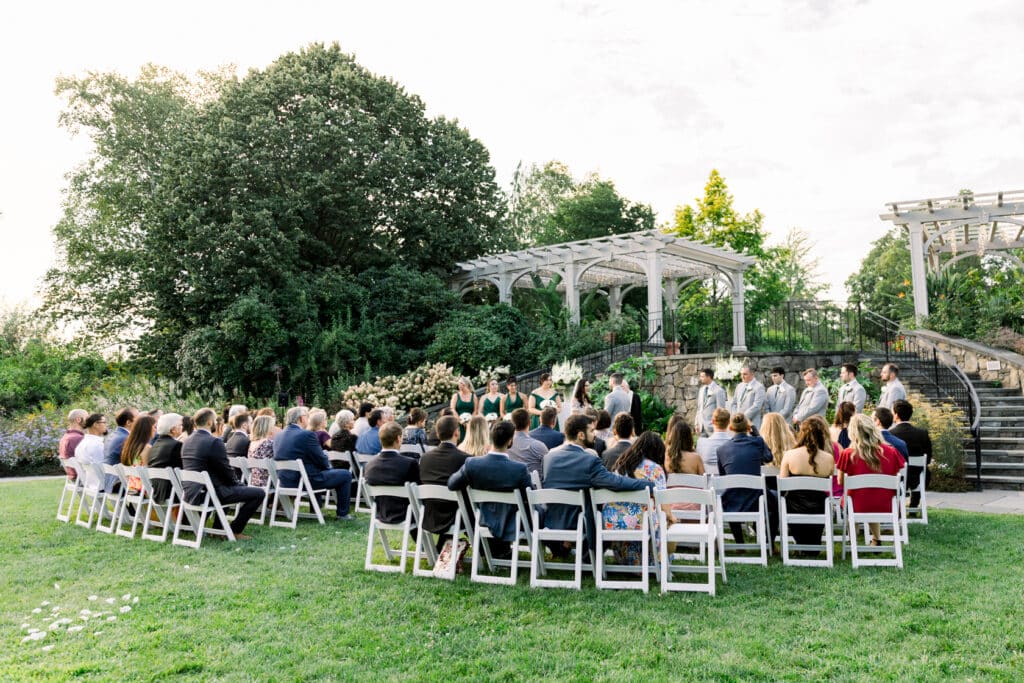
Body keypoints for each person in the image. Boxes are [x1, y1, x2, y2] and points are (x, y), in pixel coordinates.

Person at [541, 414, 654, 559]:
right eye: (591, 431)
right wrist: (649, 485)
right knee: (606, 512)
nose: (594, 435)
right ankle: (588, 557)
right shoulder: (589, 460)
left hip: (551, 520)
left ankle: (565, 548)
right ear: (581, 435)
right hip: (581, 523)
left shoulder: (549, 457)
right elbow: (617, 482)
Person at [448, 420, 531, 559]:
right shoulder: (519, 469)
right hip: (511, 521)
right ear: (510, 441)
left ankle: (495, 550)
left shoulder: (472, 464)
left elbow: (452, 484)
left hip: (482, 518)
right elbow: (529, 497)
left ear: (491, 438)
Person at [182, 408, 266, 538]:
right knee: (259, 493)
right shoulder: (214, 442)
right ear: (210, 422)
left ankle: (218, 528)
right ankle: (234, 530)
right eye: (215, 420)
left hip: (192, 492)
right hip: (210, 493)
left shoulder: (187, 440)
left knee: (228, 486)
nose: (217, 423)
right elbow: (225, 469)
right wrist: (238, 484)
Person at [605, 431, 675, 564]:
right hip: (640, 521)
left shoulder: (620, 465)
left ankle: (627, 560)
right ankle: (654, 560)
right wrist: (672, 517)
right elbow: (662, 501)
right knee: (660, 517)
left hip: (612, 520)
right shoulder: (654, 469)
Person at [836, 413, 906, 545]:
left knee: (852, 497)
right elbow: (897, 476)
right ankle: (876, 538)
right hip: (886, 505)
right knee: (872, 495)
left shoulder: (847, 454)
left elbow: (841, 482)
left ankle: (853, 541)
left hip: (856, 505)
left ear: (853, 432)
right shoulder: (891, 452)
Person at [273, 406, 353, 521]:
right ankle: (343, 514)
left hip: (284, 480)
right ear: (301, 419)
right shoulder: (307, 435)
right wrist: (327, 467)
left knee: (314, 470)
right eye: (307, 416)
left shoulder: (278, 435)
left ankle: (314, 511)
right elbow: (321, 459)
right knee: (345, 475)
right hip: (306, 481)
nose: (309, 419)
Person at [716, 413, 777, 544]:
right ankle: (769, 542)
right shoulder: (757, 442)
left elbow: (723, 476)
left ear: (730, 428)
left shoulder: (721, 449)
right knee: (777, 502)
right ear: (748, 427)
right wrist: (757, 435)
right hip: (756, 500)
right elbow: (769, 458)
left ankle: (740, 543)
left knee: (730, 493)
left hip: (732, 502)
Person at [779, 417, 836, 548]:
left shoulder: (789, 455)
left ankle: (801, 545)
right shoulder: (828, 459)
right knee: (812, 549)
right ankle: (811, 546)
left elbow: (782, 484)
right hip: (819, 508)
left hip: (794, 507)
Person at [419, 415, 471, 545]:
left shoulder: (425, 458)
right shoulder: (465, 459)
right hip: (458, 516)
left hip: (430, 516)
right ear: (457, 433)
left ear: (437, 433)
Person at [363, 422, 420, 524]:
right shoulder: (409, 463)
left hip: (381, 514)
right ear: (398, 438)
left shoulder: (369, 465)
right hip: (407, 514)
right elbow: (418, 491)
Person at [890, 399, 933, 508]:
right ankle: (914, 503)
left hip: (897, 476)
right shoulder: (922, 433)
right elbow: (927, 458)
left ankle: (896, 506)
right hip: (917, 478)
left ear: (896, 415)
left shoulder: (890, 435)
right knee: (923, 470)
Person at [663, 420, 705, 518]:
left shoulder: (665, 457)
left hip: (670, 508)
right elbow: (704, 484)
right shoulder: (696, 458)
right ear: (689, 437)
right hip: (694, 509)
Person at [147, 413, 184, 502]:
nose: (182, 427)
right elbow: (184, 469)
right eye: (180, 425)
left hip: (157, 491)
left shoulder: (155, 445)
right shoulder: (176, 445)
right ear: (173, 429)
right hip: (172, 492)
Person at [103, 407, 138, 492]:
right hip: (119, 483)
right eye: (138, 418)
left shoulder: (113, 435)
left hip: (110, 481)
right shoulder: (126, 438)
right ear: (128, 422)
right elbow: (134, 462)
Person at [120, 415, 157, 493]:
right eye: (154, 427)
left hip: (132, 487)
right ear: (147, 429)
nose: (155, 430)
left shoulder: (129, 446)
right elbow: (148, 471)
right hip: (144, 489)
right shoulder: (146, 448)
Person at [506, 408, 548, 474]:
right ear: (530, 423)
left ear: (512, 423)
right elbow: (548, 468)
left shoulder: (504, 444)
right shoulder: (538, 445)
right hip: (534, 483)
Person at [74, 413, 108, 490]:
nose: (106, 425)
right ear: (95, 424)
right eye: (104, 422)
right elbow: (103, 468)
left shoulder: (82, 444)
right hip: (101, 484)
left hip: (89, 483)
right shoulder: (97, 445)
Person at [730, 364, 767, 429]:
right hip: (738, 423)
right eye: (741, 374)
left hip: (752, 423)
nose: (742, 376)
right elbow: (734, 403)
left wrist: (742, 417)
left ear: (752, 374)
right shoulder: (739, 386)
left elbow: (757, 406)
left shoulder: (759, 387)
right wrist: (735, 416)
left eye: (745, 374)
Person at [696, 408, 731, 472]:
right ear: (729, 422)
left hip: (708, 480)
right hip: (728, 481)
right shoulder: (734, 443)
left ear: (712, 421)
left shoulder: (701, 443)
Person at [246, 415, 277, 488]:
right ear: (267, 428)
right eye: (273, 426)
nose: (274, 428)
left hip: (254, 481)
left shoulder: (252, 443)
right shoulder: (268, 443)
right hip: (268, 482)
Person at [695, 369, 728, 437]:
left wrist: (718, 426)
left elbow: (721, 411)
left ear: (709, 377)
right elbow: (699, 408)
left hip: (713, 427)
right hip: (701, 427)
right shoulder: (701, 390)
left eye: (702, 376)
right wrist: (696, 423)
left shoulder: (719, 390)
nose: (700, 378)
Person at [58, 409, 88, 481]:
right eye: (87, 418)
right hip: (83, 479)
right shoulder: (77, 439)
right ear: (78, 419)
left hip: (75, 478)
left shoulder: (65, 437)